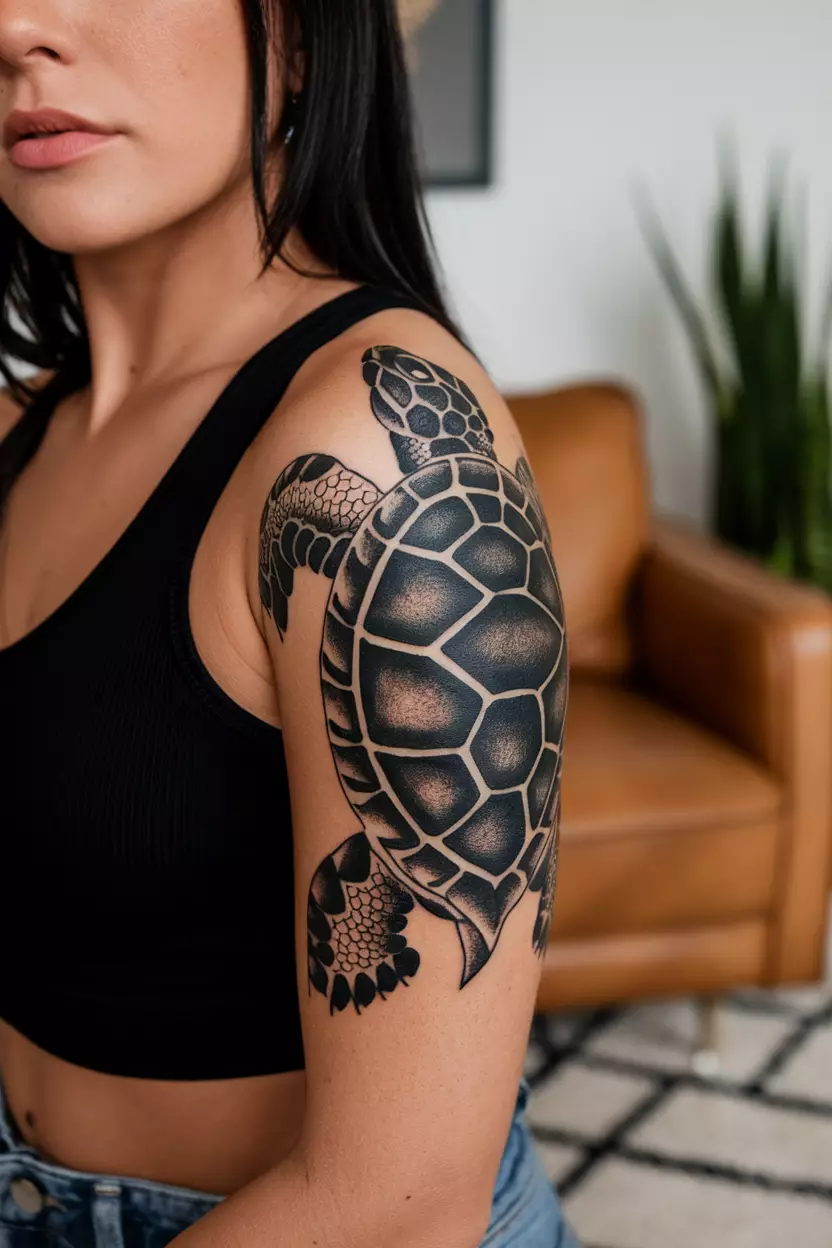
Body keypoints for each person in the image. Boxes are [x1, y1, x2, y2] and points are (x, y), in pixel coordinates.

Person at [0, 2, 575, 1245]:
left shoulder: (362, 446)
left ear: (304, 35)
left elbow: (399, 1205)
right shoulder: (29, 427)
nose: (17, 26)